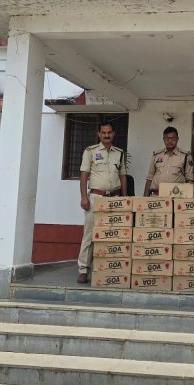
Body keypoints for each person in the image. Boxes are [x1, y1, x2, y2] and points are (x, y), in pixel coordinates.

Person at [77, 121, 128, 284]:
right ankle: (83, 269)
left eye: (109, 132)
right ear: (99, 134)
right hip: (96, 198)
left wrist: (124, 197)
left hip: (114, 199)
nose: (107, 135)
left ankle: (109, 268)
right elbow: (84, 175)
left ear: (113, 134)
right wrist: (84, 197)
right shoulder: (90, 151)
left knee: (113, 234)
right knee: (89, 234)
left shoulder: (119, 153)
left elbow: (123, 176)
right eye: (103, 132)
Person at [144, 126, 194, 196]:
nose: (170, 141)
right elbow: (150, 178)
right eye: (167, 138)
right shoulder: (156, 155)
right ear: (163, 139)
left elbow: (189, 180)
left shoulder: (185, 156)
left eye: (173, 138)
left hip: (176, 197)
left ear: (177, 139)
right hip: (156, 196)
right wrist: (145, 198)